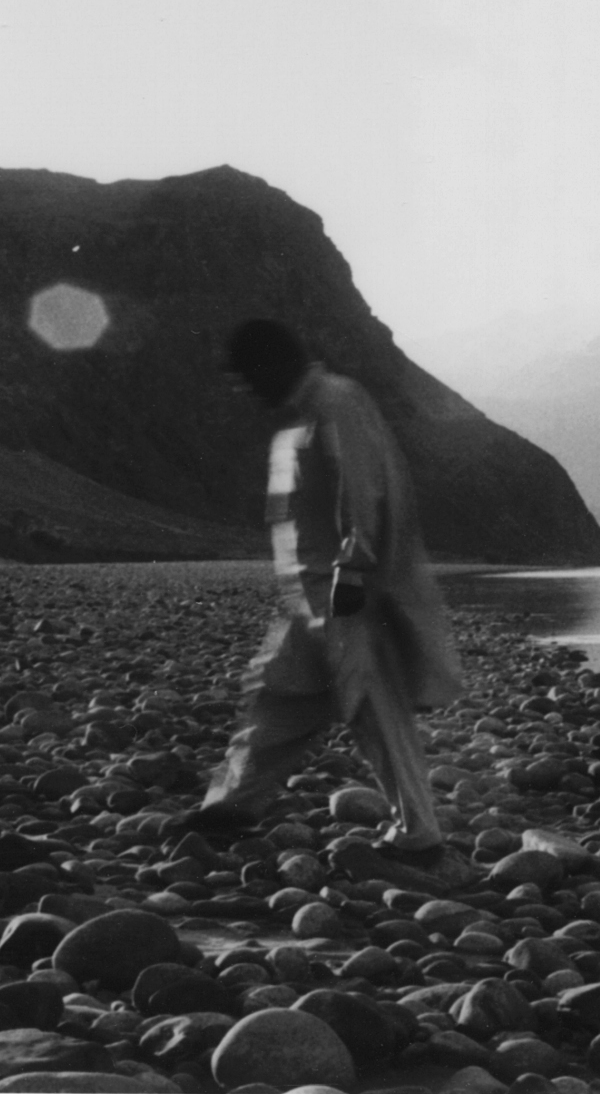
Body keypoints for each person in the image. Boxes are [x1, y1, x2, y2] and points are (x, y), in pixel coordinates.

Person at [188, 319, 463, 855]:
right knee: (275, 699)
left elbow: (365, 485)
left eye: (248, 378)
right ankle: (231, 807)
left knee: (374, 709)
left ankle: (419, 832)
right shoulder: (303, 418)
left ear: (273, 364)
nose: (248, 391)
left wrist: (354, 568)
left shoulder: (336, 402)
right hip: (310, 600)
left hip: (344, 595)